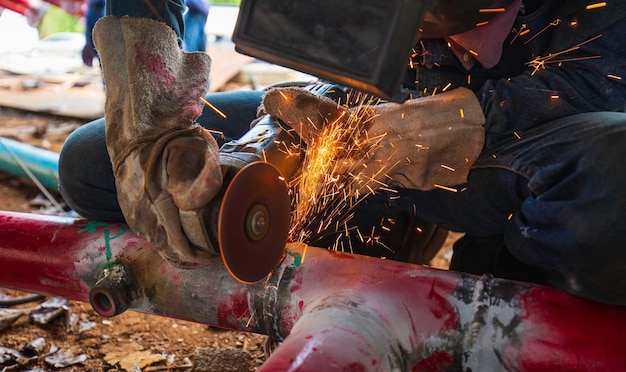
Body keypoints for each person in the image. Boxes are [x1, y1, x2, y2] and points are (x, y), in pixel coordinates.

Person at [59, 0, 626, 304]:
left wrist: (425, 134)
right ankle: (384, 219)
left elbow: (604, 84)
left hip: (545, 128)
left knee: (614, 184)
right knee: (90, 164)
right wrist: (148, 123)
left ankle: (506, 242)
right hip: (363, 104)